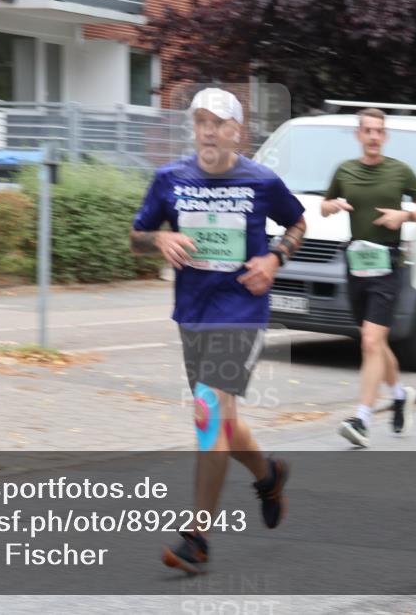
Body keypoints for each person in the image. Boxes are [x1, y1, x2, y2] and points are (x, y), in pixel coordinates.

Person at [130, 87, 306, 573]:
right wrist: (159, 237)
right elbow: (136, 237)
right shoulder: (170, 178)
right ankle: (269, 474)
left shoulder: (261, 181)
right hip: (193, 311)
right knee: (223, 421)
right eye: (200, 122)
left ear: (236, 131)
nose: (208, 131)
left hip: (241, 311)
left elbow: (296, 224)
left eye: (217, 123)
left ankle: (198, 537)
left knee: (210, 416)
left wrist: (274, 258)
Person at [322, 108, 416, 448]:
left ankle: (362, 418)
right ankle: (400, 395)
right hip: (356, 264)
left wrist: (406, 214)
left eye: (379, 131)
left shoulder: (400, 171)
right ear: (359, 135)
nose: (373, 136)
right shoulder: (345, 170)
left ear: (385, 137)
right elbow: (325, 204)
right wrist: (330, 208)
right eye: (368, 130)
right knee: (376, 342)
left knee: (371, 341)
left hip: (388, 264)